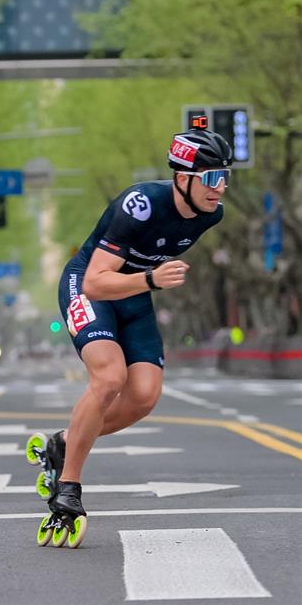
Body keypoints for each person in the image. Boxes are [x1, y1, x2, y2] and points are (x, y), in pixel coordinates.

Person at [29, 116, 232, 548]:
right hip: (91, 284)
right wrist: (152, 280)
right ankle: (68, 489)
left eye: (225, 177)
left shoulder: (210, 215)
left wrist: (146, 282)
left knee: (143, 397)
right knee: (109, 378)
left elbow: (142, 276)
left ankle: (63, 442)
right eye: (212, 177)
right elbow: (95, 282)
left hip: (135, 292)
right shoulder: (138, 204)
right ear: (182, 178)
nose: (220, 188)